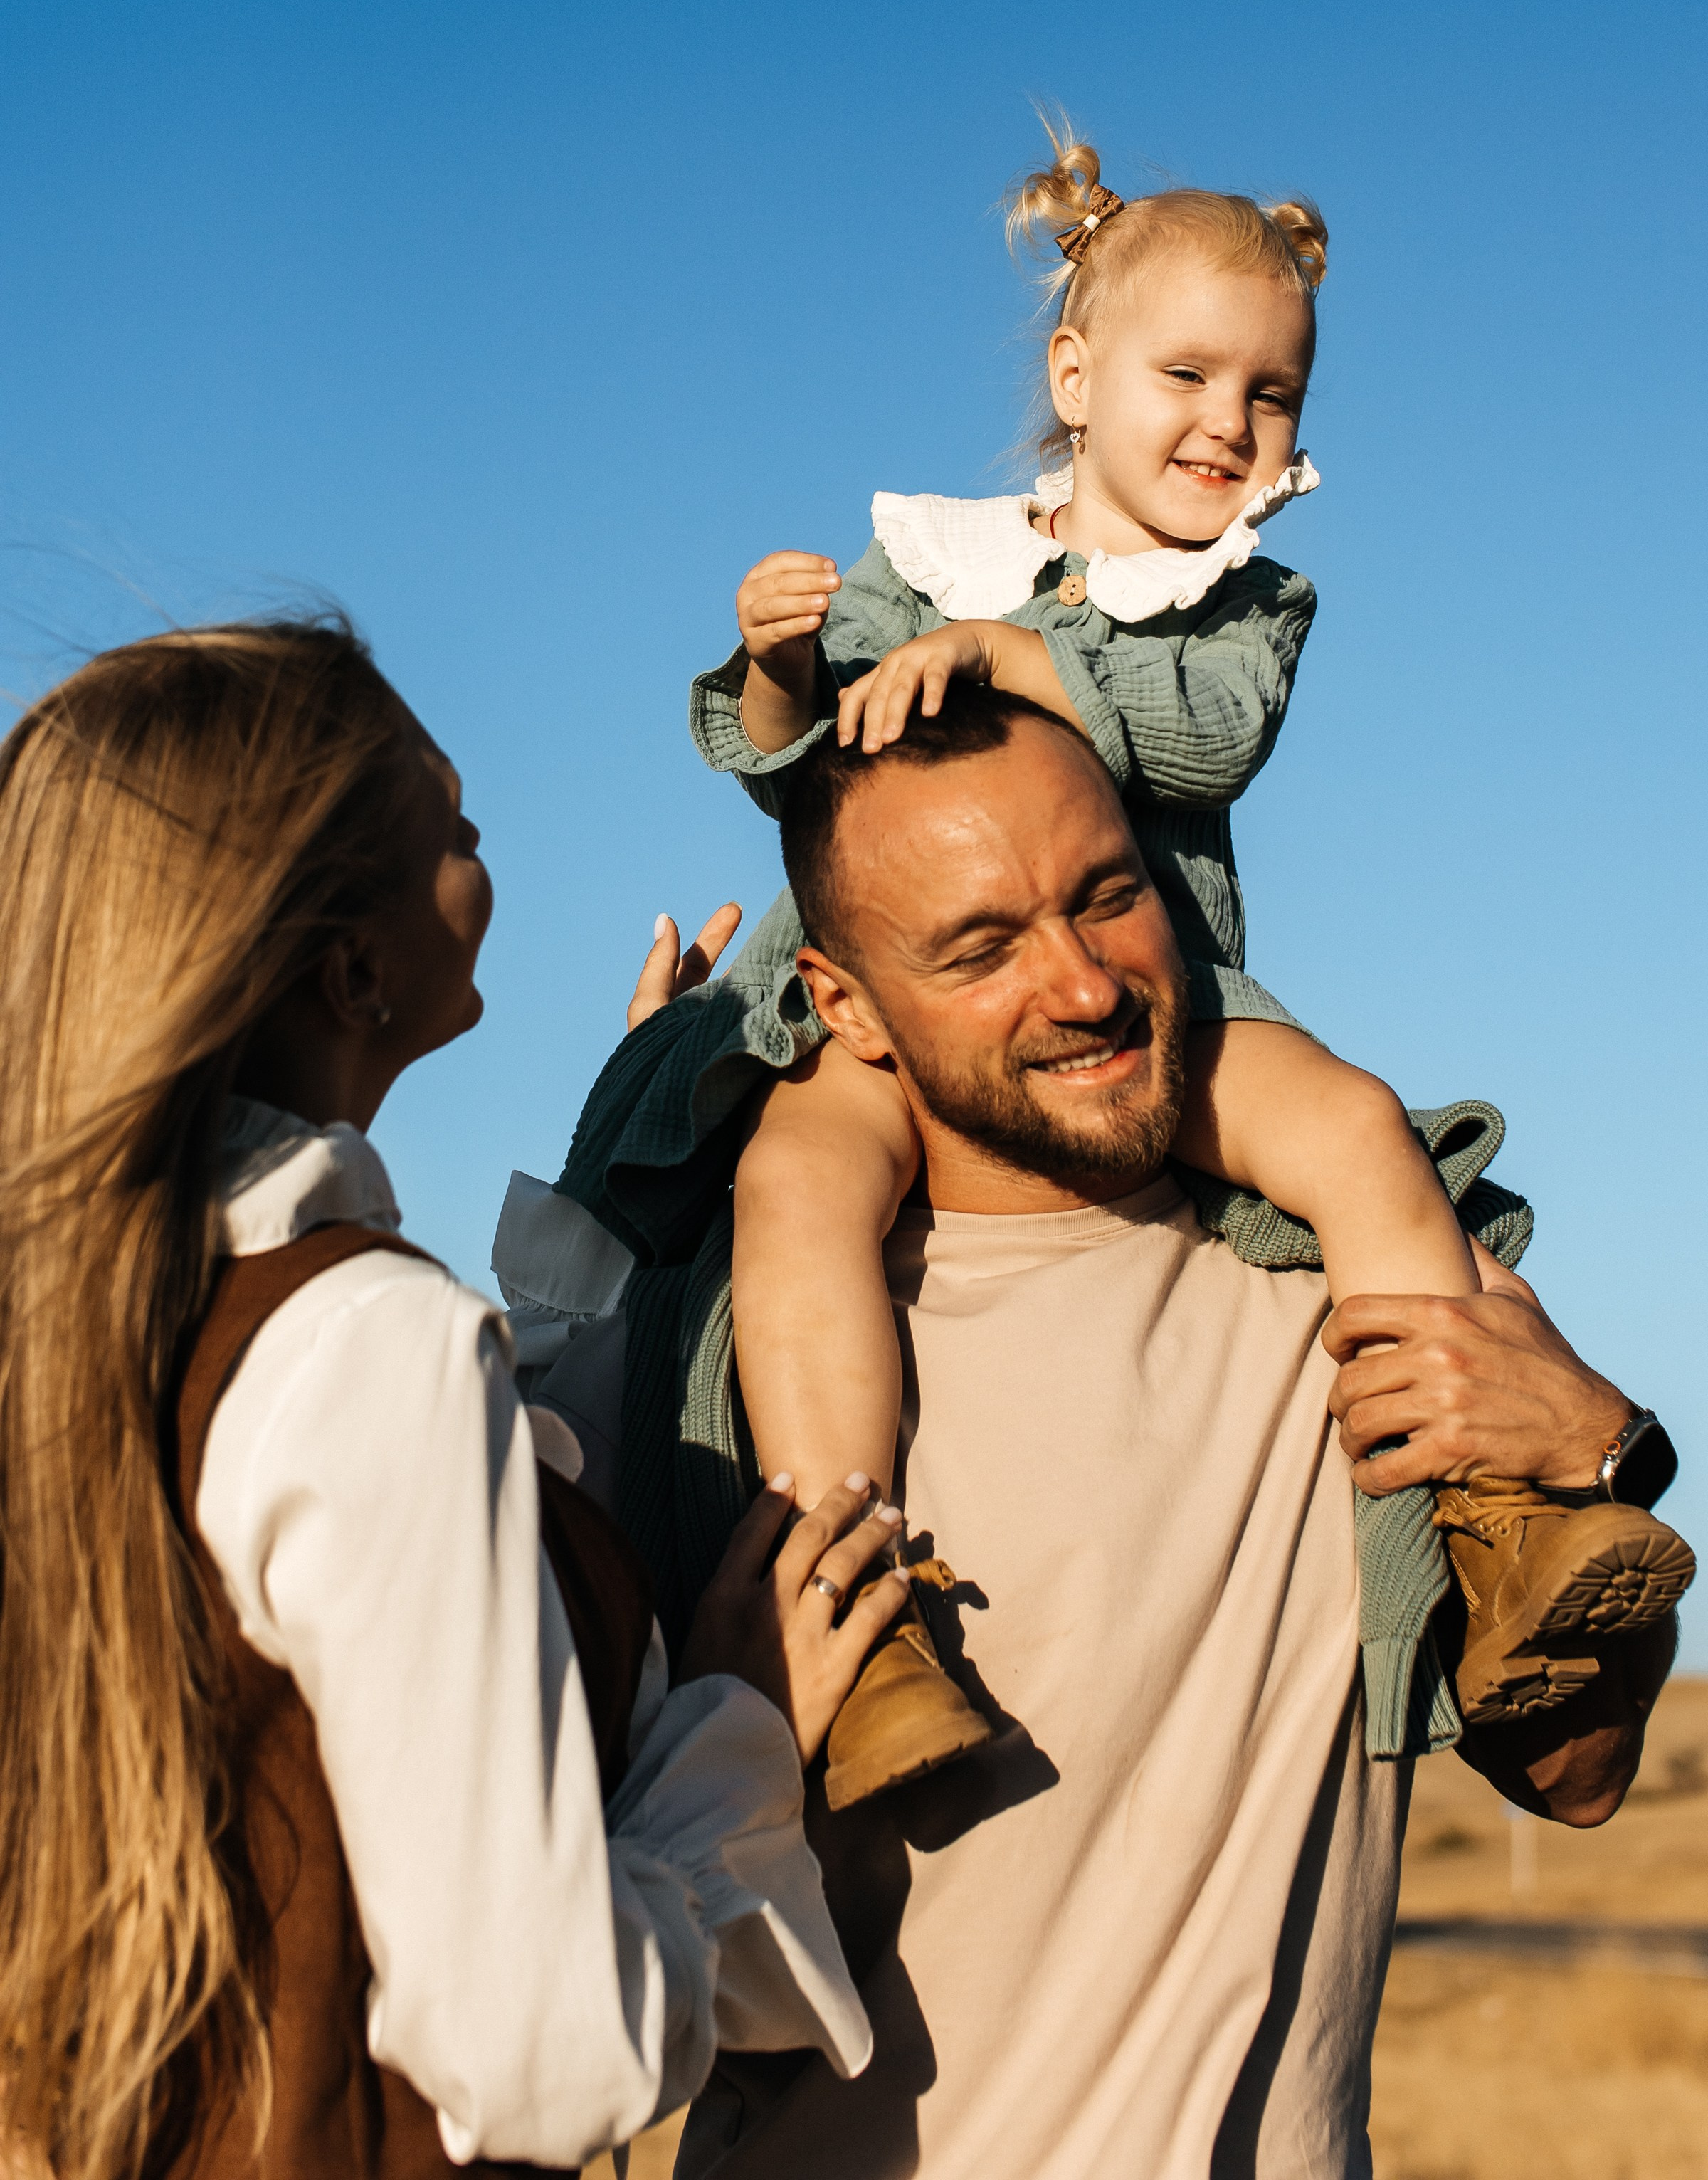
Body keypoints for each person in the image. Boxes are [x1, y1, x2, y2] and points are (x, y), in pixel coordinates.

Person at [686, 117, 1691, 1794]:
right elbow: (806, 783)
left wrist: (1018, 654)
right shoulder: (930, 556)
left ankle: (1490, 1516)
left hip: (1174, 1000)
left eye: (1272, 394)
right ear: (1077, 377)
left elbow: (1205, 744)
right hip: (885, 1004)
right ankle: (858, 1601)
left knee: (1361, 1132)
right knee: (793, 1189)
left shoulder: (1237, 603)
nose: (1230, 424)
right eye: (1189, 376)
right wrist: (778, 664)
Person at [655, 681, 1677, 2179]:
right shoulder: (715, 1392)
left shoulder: (1363, 1303)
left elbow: (1581, 1779)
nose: (1081, 986)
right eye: (983, 946)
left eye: (1107, 896)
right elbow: (531, 2000)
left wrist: (1604, 1451)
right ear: (844, 1004)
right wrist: (730, 1746)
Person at [0, 618, 911, 2180]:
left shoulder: (104, 1334)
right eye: (447, 815)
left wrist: (639, 1135)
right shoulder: (369, 1348)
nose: (474, 809)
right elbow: (544, 2059)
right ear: (354, 967)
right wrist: (737, 1726)